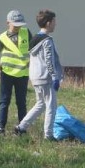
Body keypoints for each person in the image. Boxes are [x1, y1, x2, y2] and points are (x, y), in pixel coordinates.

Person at [14, 9, 64, 141]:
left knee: (40, 104)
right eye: (54, 22)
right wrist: (55, 77)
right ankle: (48, 135)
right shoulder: (47, 40)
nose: (55, 24)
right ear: (48, 23)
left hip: (35, 77)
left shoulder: (34, 39)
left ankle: (21, 127)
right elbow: (49, 60)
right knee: (51, 106)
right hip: (46, 77)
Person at [0, 10, 31, 134]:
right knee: (4, 101)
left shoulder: (26, 32)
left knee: (21, 102)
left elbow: (34, 48)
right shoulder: (2, 37)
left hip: (23, 73)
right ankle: (0, 127)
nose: (18, 27)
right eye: (15, 25)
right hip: (7, 73)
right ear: (8, 23)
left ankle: (22, 128)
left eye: (20, 24)